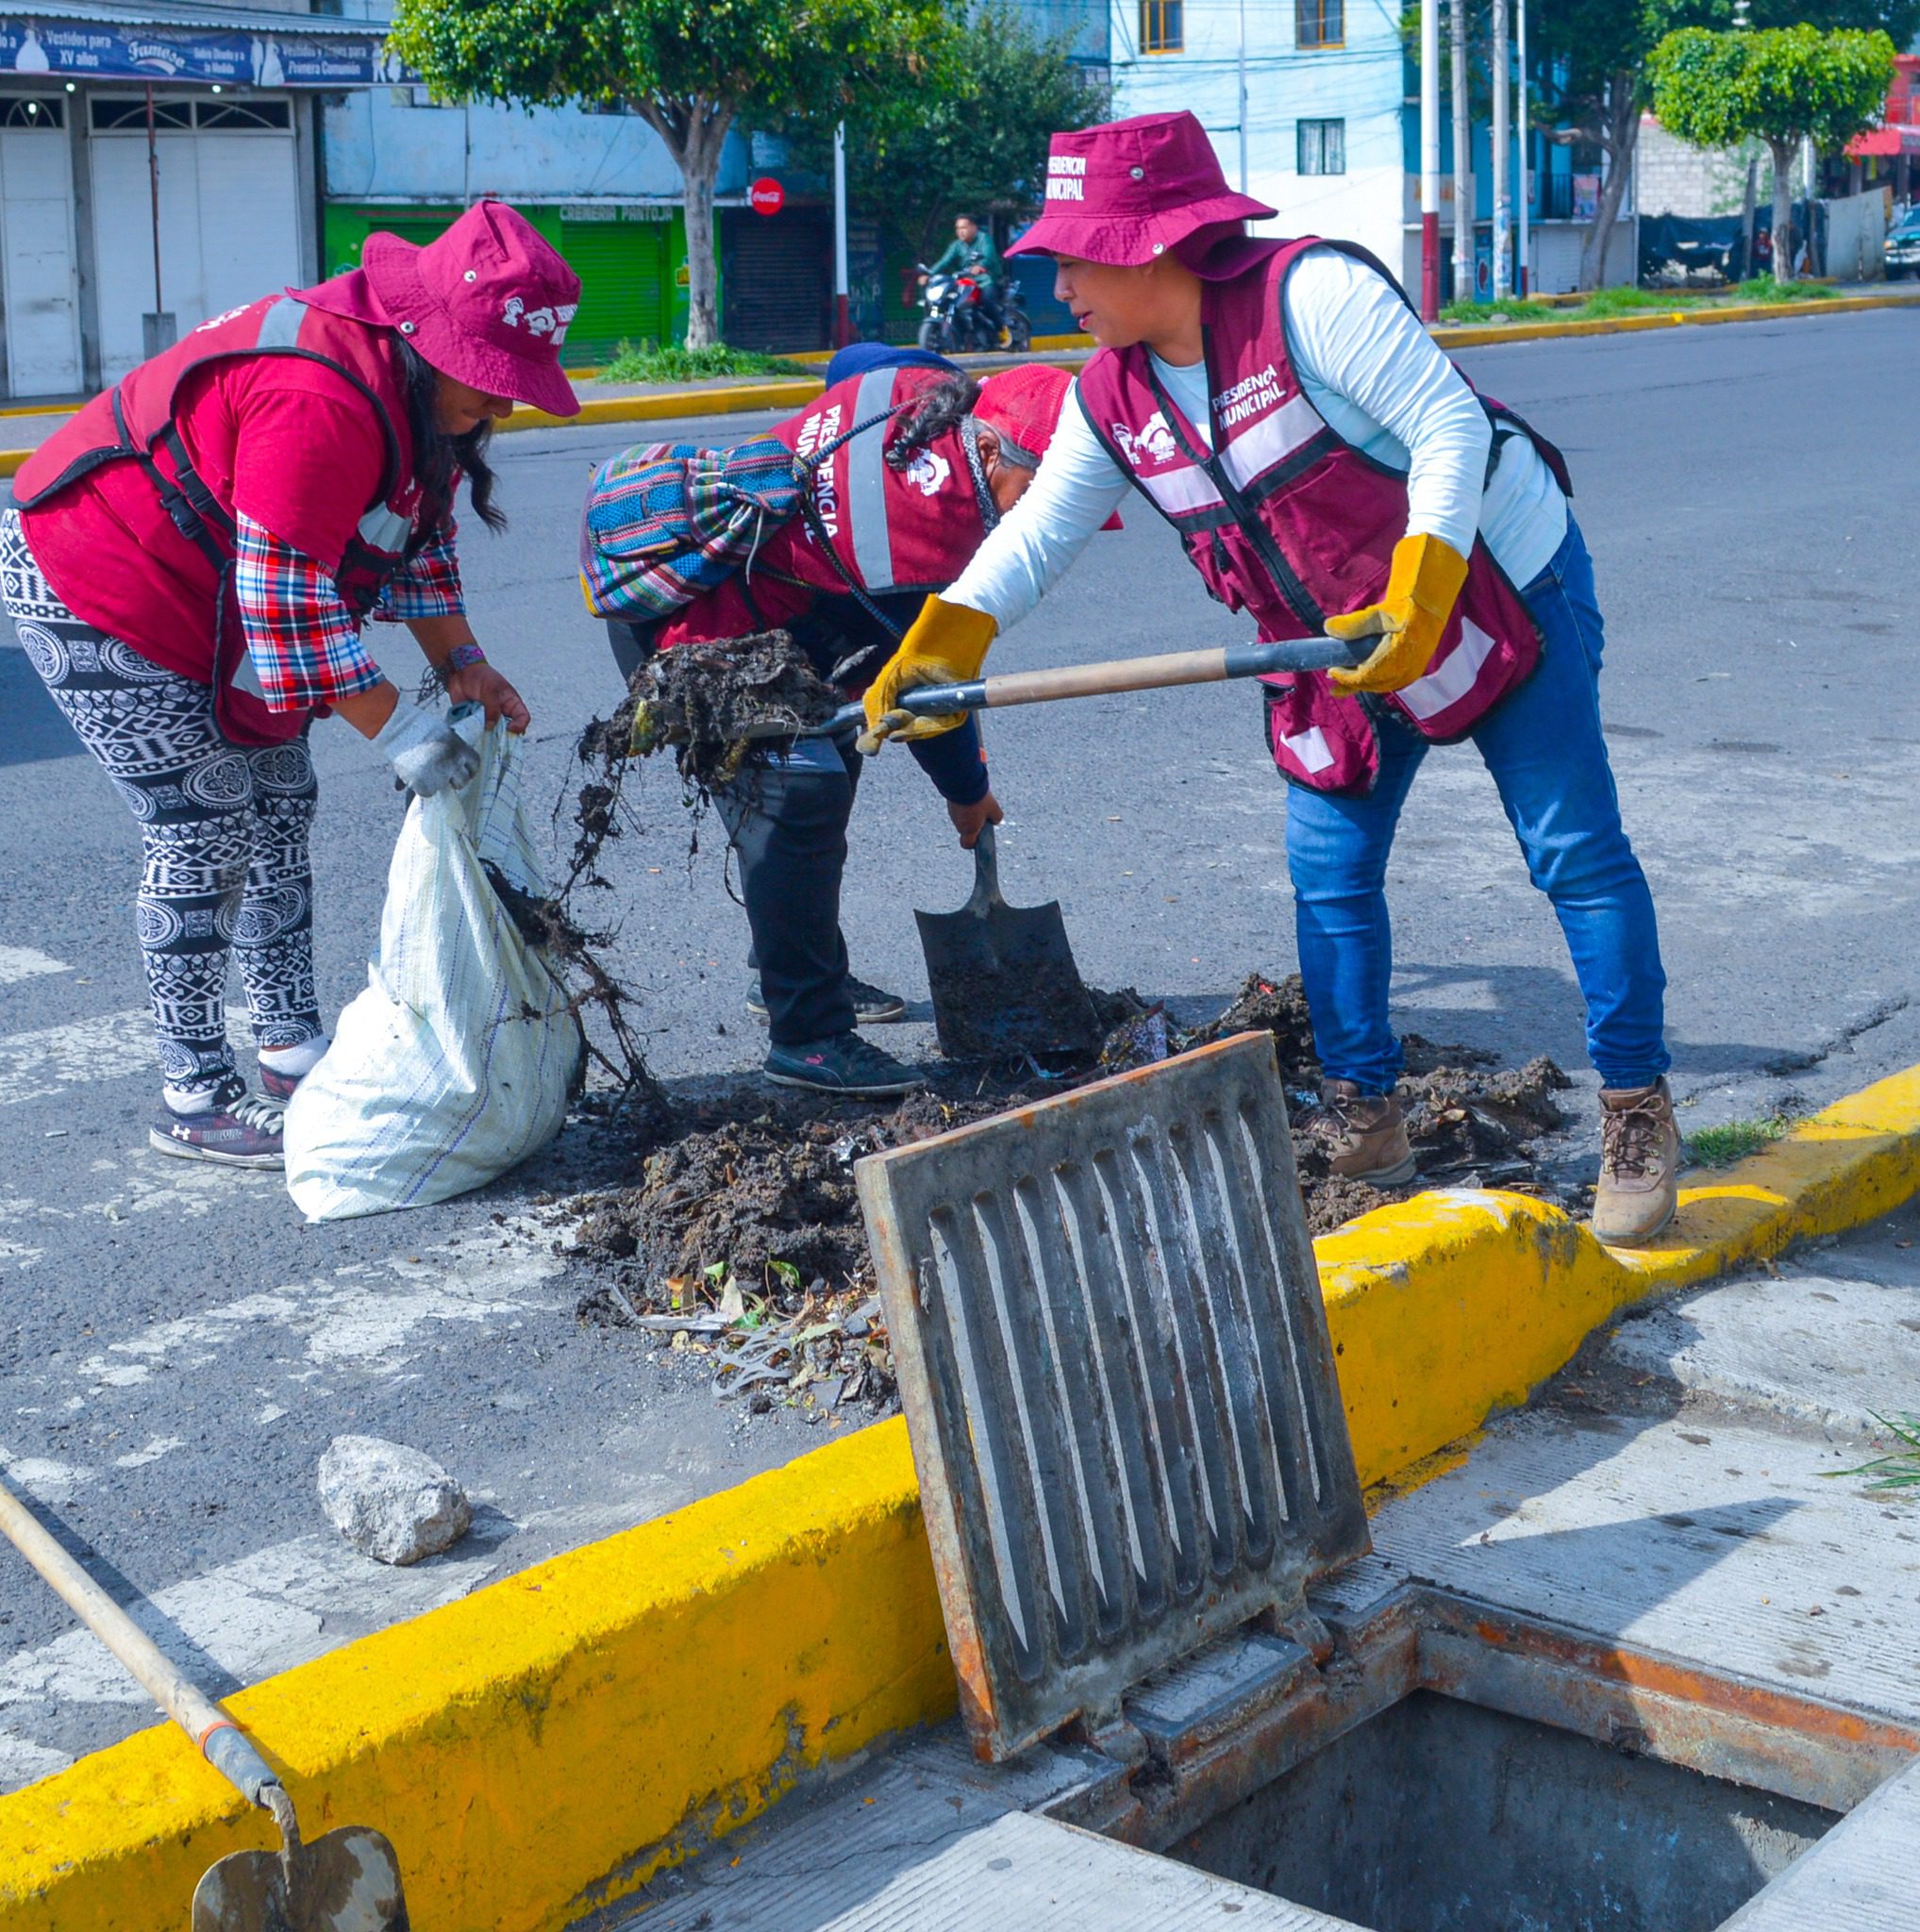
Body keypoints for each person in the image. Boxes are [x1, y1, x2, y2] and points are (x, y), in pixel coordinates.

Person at [860, 111, 1678, 1246]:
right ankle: (1365, 1111)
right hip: (1320, 640)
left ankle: (1636, 1107)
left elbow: (1446, 424)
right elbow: (1041, 530)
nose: (1057, 285)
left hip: (1494, 586)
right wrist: (944, 640)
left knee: (1571, 850)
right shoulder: (1113, 393)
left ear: (1151, 247)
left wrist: (1424, 580)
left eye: (1073, 254)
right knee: (1328, 873)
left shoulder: (1311, 300)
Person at [5, 200, 579, 1170]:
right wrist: (403, 729)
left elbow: (411, 534)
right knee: (205, 825)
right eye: (486, 384)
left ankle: (288, 1049)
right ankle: (193, 1092)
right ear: (427, 341)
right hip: (98, 576)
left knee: (281, 804)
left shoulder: (411, 399)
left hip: (215, 591)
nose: (502, 407)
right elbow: (287, 598)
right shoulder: (318, 393)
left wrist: (464, 668)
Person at [586, 359, 1101, 1098]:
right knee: (800, 797)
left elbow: (853, 364)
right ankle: (808, 1037)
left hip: (786, 630)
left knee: (829, 761)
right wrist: (967, 792)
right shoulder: (923, 537)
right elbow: (924, 684)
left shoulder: (924, 391)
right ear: (988, 453)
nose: (1042, 515)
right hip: (693, 638)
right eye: (1039, 491)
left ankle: (794, 972)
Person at [923, 214, 1007, 343]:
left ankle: (1001, 328)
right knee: (948, 301)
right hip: (966, 282)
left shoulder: (984, 239)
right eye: (957, 228)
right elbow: (944, 261)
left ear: (974, 227)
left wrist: (980, 266)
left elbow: (988, 256)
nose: (960, 231)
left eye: (964, 227)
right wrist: (929, 274)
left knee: (985, 302)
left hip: (987, 280)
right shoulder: (957, 245)